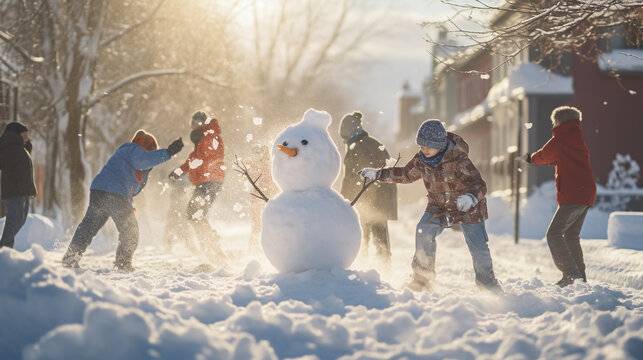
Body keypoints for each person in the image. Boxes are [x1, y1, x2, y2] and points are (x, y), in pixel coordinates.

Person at [360, 119, 500, 292]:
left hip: (468, 207)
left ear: (439, 145)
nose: (423, 149)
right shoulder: (421, 160)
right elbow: (405, 174)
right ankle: (422, 279)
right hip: (439, 206)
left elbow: (479, 184)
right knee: (423, 230)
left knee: (478, 247)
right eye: (421, 146)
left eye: (428, 146)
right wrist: (379, 174)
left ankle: (487, 283)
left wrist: (471, 197)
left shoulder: (458, 159)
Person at [62, 130, 183, 271]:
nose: (151, 156)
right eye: (150, 151)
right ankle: (123, 264)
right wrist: (168, 152)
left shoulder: (125, 153)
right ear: (145, 147)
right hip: (114, 194)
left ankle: (71, 257)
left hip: (100, 191)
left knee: (88, 227)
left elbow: (126, 182)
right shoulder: (134, 149)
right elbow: (142, 161)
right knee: (130, 231)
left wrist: (128, 204)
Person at [519, 106, 596, 287]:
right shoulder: (577, 138)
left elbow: (544, 155)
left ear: (559, 121)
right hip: (586, 192)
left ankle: (571, 275)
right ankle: (580, 278)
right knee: (570, 235)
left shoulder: (561, 138)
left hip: (573, 194)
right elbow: (562, 158)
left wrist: (529, 158)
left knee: (553, 234)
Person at [339, 111, 397, 266]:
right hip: (379, 195)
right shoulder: (371, 143)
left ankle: (364, 264)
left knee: (362, 234)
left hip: (370, 196)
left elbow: (352, 178)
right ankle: (384, 265)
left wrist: (343, 200)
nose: (344, 141)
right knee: (379, 235)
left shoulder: (357, 147)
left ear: (349, 132)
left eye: (344, 136)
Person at [169, 111, 226, 261]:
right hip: (206, 181)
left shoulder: (210, 136)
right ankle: (212, 247)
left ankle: (213, 249)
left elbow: (202, 157)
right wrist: (179, 171)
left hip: (211, 180)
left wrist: (182, 170)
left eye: (196, 123)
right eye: (192, 123)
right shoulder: (204, 137)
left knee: (194, 214)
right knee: (195, 214)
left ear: (202, 122)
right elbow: (195, 158)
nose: (193, 126)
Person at [0, 122, 36, 249]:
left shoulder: (19, 147)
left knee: (20, 220)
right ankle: (4, 248)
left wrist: (27, 148)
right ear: (16, 134)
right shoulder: (8, 146)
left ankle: (6, 249)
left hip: (23, 190)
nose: (27, 136)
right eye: (24, 134)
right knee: (13, 220)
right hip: (14, 190)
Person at [248, 144, 277, 251]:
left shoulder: (267, 166)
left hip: (263, 199)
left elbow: (270, 184)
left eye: (258, 152)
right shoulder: (269, 166)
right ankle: (254, 249)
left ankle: (255, 249)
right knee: (258, 226)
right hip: (260, 199)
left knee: (259, 227)